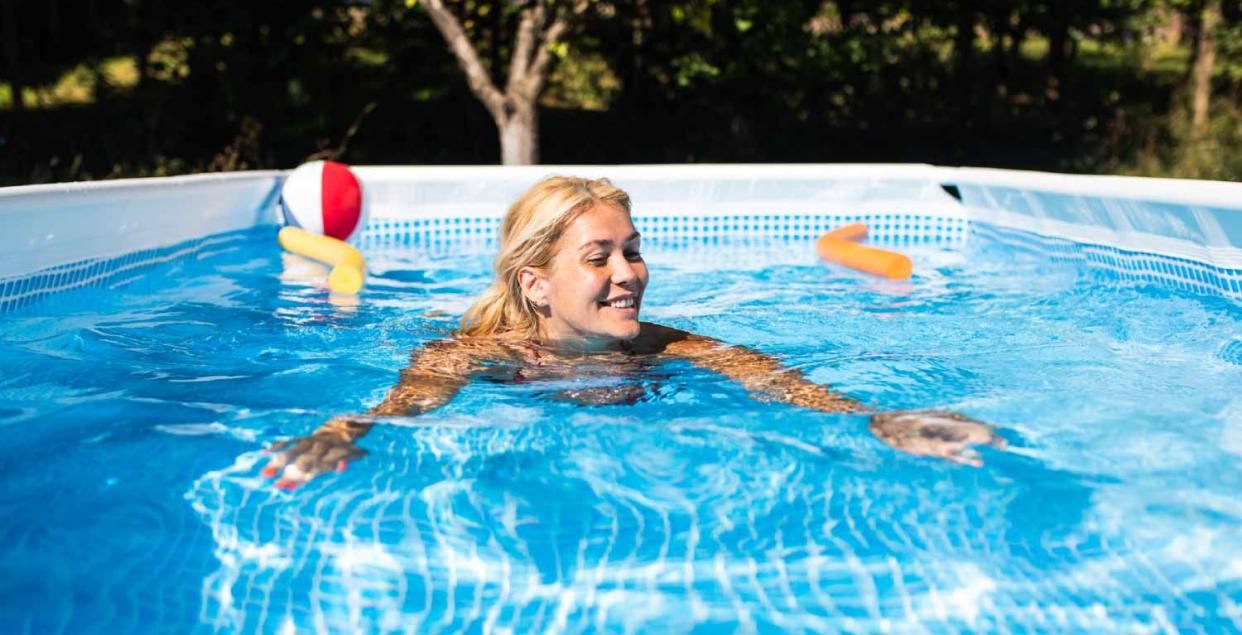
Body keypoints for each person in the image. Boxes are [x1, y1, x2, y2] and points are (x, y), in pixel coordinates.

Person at [263, 176, 1004, 489]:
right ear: (536, 284)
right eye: (599, 257)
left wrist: (877, 417)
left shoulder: (668, 345)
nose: (629, 272)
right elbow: (404, 407)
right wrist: (341, 429)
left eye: (633, 250)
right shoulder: (474, 353)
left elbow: (782, 385)